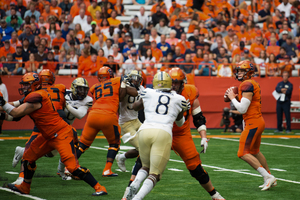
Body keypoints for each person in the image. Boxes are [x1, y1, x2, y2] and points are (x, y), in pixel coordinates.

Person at [3, 72, 107, 196]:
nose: (24, 87)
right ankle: (25, 186)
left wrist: (2, 102)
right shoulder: (33, 95)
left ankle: (99, 187)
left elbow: (15, 113)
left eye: (26, 84)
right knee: (27, 157)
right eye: (24, 84)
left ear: (35, 85)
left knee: (73, 167)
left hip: (61, 134)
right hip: (47, 135)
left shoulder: (37, 96)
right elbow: (13, 115)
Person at [126, 71, 188, 200]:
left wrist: (143, 98)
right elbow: (180, 123)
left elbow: (135, 107)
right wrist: (182, 110)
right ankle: (137, 198)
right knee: (155, 174)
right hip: (162, 132)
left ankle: (135, 183)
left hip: (144, 131)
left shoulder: (148, 92)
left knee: (145, 166)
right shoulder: (179, 98)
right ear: (170, 83)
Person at [226, 60, 277, 191]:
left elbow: (243, 109)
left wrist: (232, 98)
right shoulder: (251, 83)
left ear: (248, 72)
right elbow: (245, 108)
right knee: (254, 151)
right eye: (239, 70)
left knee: (242, 153)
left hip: (253, 123)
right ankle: (269, 177)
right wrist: (234, 100)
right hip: (257, 121)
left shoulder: (247, 84)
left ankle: (267, 176)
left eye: (242, 70)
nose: (239, 73)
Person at [75, 67, 132, 177]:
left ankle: (70, 167)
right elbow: (122, 93)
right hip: (108, 115)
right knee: (114, 144)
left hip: (93, 115)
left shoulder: (94, 87)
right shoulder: (116, 80)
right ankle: (107, 170)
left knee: (83, 144)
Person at [57, 77, 93, 178]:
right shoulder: (64, 94)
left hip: (66, 128)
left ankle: (62, 171)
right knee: (49, 152)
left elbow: (80, 115)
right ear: (73, 88)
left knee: (69, 148)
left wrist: (67, 105)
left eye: (85, 89)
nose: (83, 92)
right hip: (55, 125)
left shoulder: (87, 100)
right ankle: (22, 152)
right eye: (80, 89)